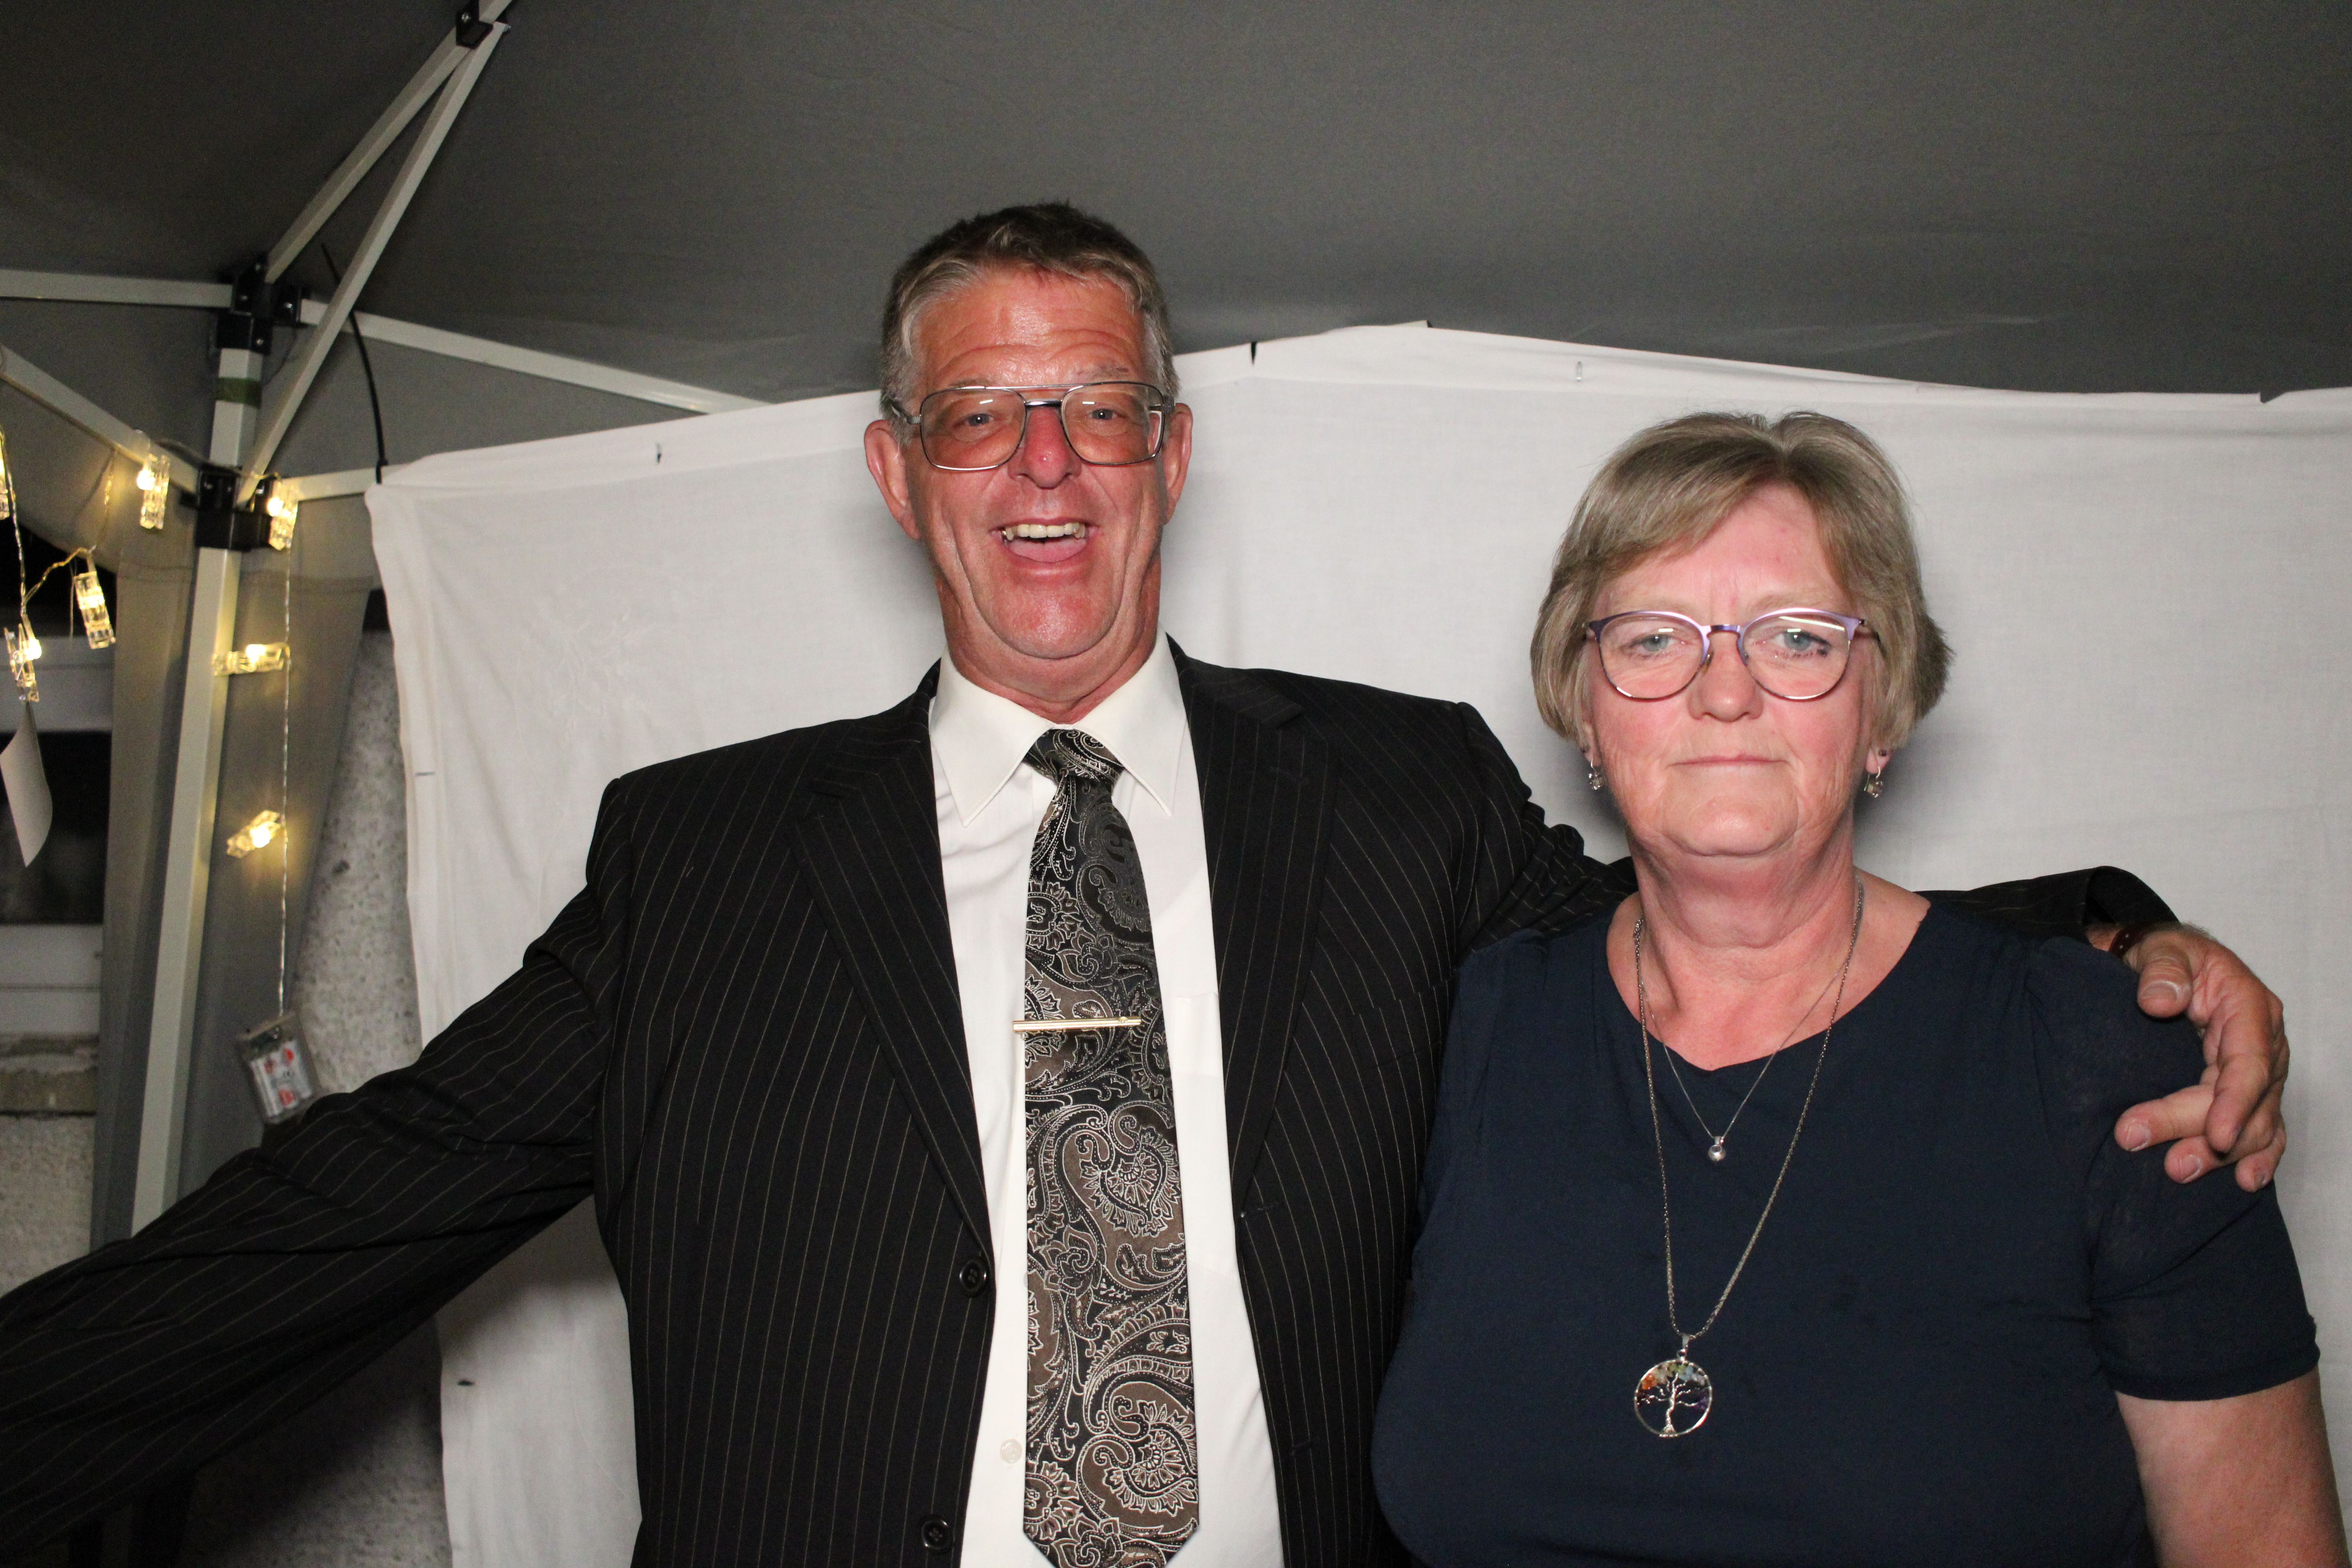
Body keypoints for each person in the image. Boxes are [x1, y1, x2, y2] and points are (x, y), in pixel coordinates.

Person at [0, 206, 2296, 1568]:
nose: (1045, 462)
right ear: (895, 468)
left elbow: (1721, 909)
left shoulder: (1395, 795)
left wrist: (2117, 940)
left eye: (1096, 405)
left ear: (1169, 453)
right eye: (981, 413)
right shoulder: (704, 863)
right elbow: (349, 1207)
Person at [1372, 412, 2342, 1567]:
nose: (1724, 692)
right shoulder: (1467, 1031)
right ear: (1584, 702)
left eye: (1796, 638)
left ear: (1882, 708)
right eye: (1654, 637)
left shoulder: (2107, 1062)